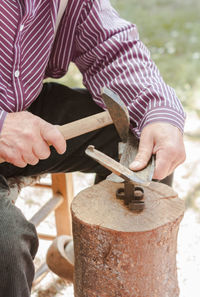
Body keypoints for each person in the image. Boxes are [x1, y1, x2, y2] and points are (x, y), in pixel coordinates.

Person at [0, 0, 186, 296]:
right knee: (5, 245)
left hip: (21, 110)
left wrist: (159, 112)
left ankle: (99, 261)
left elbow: (111, 46)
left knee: (144, 146)